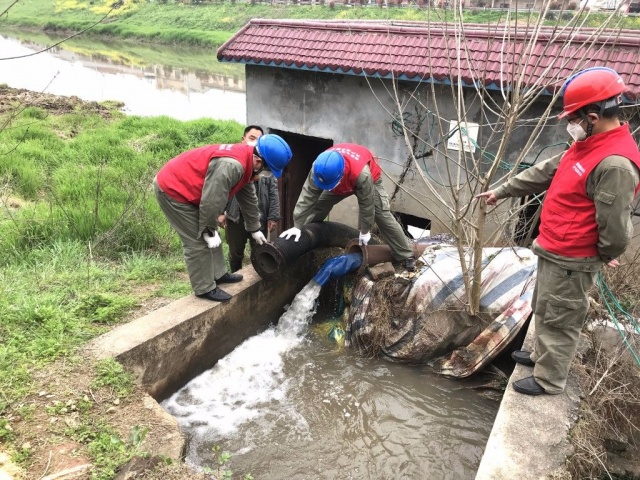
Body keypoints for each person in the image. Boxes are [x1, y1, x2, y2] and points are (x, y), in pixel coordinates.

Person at [476, 67, 640, 396]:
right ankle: (540, 356)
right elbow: (548, 170)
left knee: (561, 317)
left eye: (574, 118)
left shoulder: (615, 164)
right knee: (546, 305)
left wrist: (605, 254)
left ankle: (549, 379)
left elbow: (617, 228)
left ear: (593, 116)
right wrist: (503, 190)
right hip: (554, 248)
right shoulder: (590, 144)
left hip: (574, 257)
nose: (571, 125)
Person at [154, 134, 292, 302]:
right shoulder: (232, 166)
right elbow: (212, 201)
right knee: (198, 240)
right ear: (258, 161)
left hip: (195, 191)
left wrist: (254, 227)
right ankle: (204, 288)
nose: (266, 174)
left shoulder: (247, 161)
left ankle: (218, 275)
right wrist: (207, 228)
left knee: (214, 236)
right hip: (174, 190)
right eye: (268, 170)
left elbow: (248, 197)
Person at [280, 143, 416, 271]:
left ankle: (405, 254)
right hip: (337, 181)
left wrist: (365, 230)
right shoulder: (319, 168)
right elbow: (307, 197)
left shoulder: (363, 174)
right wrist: (297, 225)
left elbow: (367, 205)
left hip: (369, 181)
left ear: (341, 174)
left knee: (381, 215)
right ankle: (308, 237)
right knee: (319, 205)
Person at [219, 126, 281, 272]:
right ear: (243, 140)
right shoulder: (235, 162)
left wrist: (273, 216)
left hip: (259, 217)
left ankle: (258, 277)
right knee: (235, 253)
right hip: (235, 217)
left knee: (260, 250)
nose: (255, 143)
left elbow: (273, 192)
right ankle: (234, 276)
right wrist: (220, 212)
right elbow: (222, 189)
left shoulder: (265, 164)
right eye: (251, 138)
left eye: (258, 140)